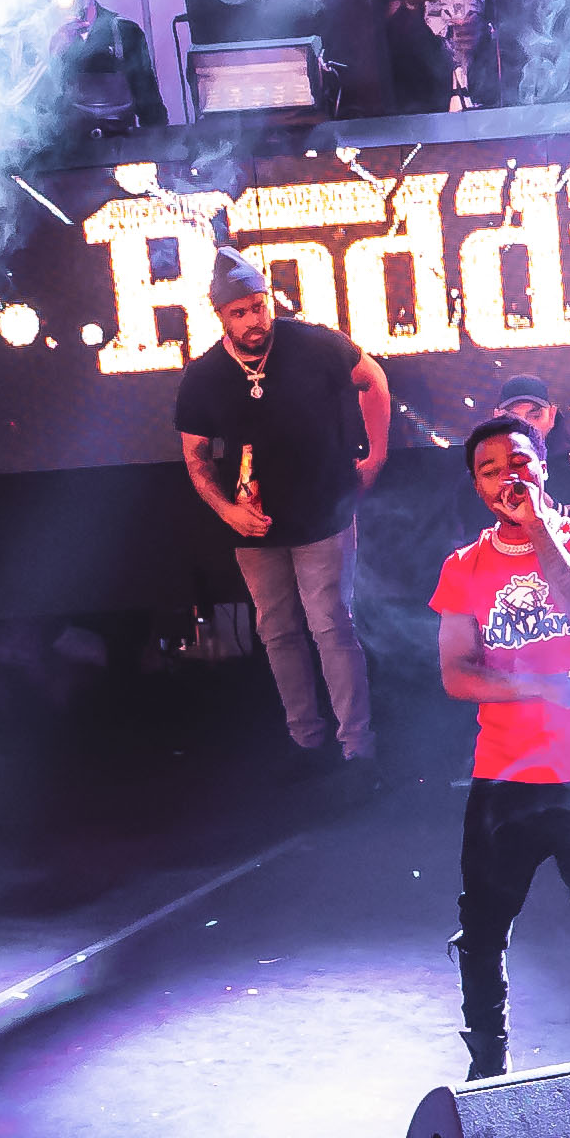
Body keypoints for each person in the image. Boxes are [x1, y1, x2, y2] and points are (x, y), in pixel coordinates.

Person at [429, 408, 570, 1080]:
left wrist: (540, 528)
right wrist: (547, 687)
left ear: (543, 468)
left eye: (518, 463)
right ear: (477, 486)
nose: (507, 479)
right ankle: (487, 1067)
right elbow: (457, 675)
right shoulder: (464, 566)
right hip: (504, 778)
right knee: (483, 929)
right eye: (490, 471)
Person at [174, 256, 393, 764]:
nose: (255, 320)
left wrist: (377, 454)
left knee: (331, 625)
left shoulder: (314, 343)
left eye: (259, 306)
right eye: (240, 313)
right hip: (255, 524)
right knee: (276, 631)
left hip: (323, 513)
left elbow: (373, 380)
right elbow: (195, 456)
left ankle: (357, 745)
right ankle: (305, 740)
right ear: (220, 316)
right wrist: (227, 511)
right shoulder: (205, 375)